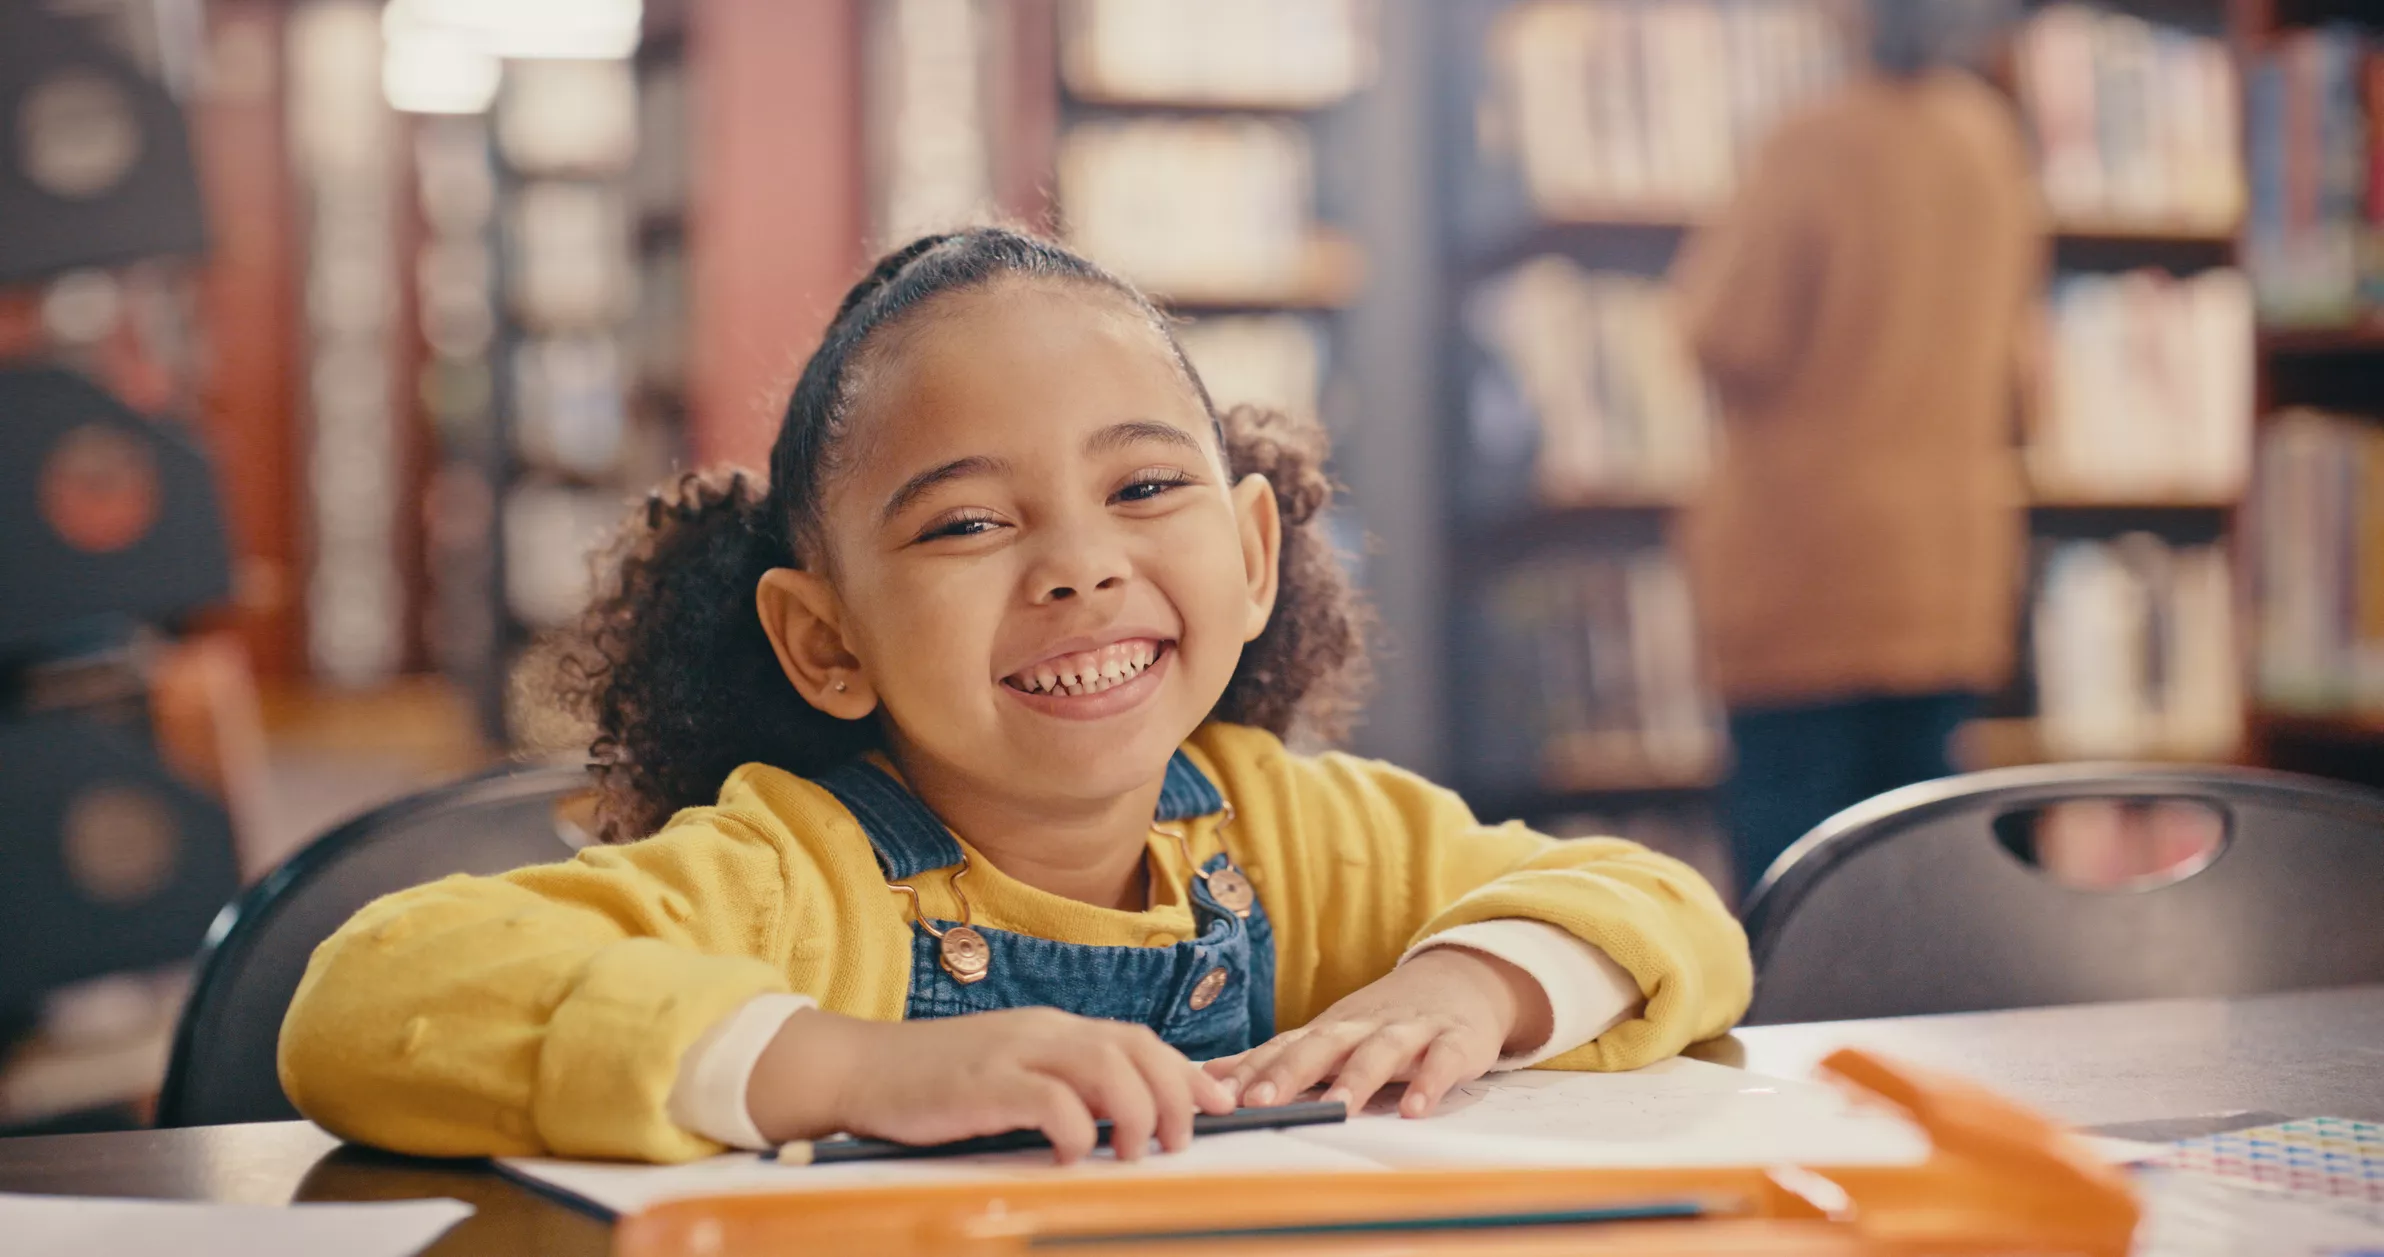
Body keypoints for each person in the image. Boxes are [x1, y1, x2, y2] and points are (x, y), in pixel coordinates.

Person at [279, 229, 1751, 1165]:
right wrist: (842, 1063)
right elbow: (365, 1001)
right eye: (967, 524)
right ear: (824, 641)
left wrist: (1471, 984)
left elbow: (1664, 907)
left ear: (1250, 556)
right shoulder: (792, 874)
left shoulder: (1303, 831)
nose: (1079, 568)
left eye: (1145, 487)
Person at [1669, 0, 2041, 897]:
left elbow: (1727, 332)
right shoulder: (1991, 142)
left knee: (1794, 873)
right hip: (1950, 562)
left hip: (1809, 561)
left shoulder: (1817, 140)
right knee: (1915, 865)